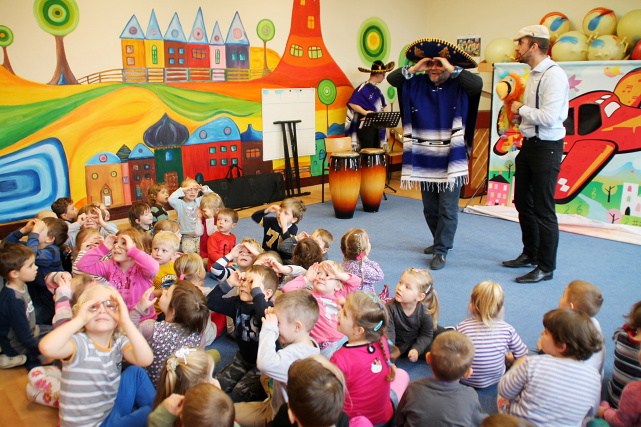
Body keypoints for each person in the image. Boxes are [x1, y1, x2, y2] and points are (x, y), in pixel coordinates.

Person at [387, 38, 482, 270]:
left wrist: (448, 66)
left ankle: (441, 249)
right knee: (430, 208)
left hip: (451, 156)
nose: (434, 68)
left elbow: (477, 84)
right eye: (430, 64)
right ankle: (439, 240)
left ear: (449, 65)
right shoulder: (417, 83)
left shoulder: (460, 85)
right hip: (425, 156)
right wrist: (417, 67)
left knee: (447, 207)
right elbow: (393, 79)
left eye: (439, 64)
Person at [502, 24, 569, 283]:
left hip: (547, 148)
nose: (516, 47)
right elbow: (534, 114)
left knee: (543, 209)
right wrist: (520, 115)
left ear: (534, 45)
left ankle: (546, 266)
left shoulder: (554, 75)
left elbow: (551, 117)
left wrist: (521, 108)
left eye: (520, 42)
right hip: (529, 145)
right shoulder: (533, 75)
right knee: (522, 202)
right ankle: (530, 253)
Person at [38, 285, 155, 427]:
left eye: (110, 305)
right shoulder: (79, 343)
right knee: (152, 413)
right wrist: (80, 319)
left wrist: (126, 321)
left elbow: (146, 359)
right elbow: (47, 348)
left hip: (108, 411)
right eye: (93, 307)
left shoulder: (119, 341)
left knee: (136, 373)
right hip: (91, 425)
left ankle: (157, 411)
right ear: (81, 312)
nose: (102, 310)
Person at [497, 308, 602, 426]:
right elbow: (591, 413)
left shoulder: (532, 363)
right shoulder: (594, 378)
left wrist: (517, 364)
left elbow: (505, 390)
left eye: (546, 332)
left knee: (503, 394)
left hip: (520, 423)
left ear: (561, 346)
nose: (541, 333)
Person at [235, 290, 320, 427]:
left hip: (279, 417)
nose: (274, 325)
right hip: (274, 400)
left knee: (228, 414)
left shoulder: (298, 358)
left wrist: (269, 328)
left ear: (297, 327)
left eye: (277, 322)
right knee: (263, 378)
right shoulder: (306, 343)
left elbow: (264, 364)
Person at [330, 291, 409, 425]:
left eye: (344, 313)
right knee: (401, 375)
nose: (338, 313)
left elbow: (330, 396)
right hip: (385, 416)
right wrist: (348, 306)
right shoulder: (381, 340)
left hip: (355, 421)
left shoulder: (340, 358)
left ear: (359, 330)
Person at [206, 264, 278, 402]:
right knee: (217, 384)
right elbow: (211, 302)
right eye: (244, 280)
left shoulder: (269, 309)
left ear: (267, 294)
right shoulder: (237, 303)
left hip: (263, 365)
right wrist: (229, 283)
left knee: (238, 394)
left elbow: (264, 316)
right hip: (244, 358)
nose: (244, 284)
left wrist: (257, 293)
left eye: (251, 282)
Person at [395, 331, 486, 426]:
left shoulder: (413, 388)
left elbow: (398, 420)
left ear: (428, 358)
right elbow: (478, 422)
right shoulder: (470, 396)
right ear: (467, 373)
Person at [130, 281, 209, 386]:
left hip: (151, 386)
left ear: (173, 311)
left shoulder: (151, 328)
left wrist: (139, 308)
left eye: (166, 294)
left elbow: (127, 334)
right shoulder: (200, 334)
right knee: (211, 355)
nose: (163, 291)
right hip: (180, 386)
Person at [455, 280, 528, 388]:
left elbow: (452, 352)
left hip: (466, 378)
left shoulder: (461, 327)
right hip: (496, 378)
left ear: (472, 305)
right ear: (500, 308)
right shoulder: (507, 329)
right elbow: (522, 355)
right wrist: (512, 360)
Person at [76, 228, 159, 321]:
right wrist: (103, 248)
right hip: (119, 319)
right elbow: (82, 265)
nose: (116, 246)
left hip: (143, 319)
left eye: (124, 243)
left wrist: (132, 250)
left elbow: (154, 267)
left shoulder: (142, 268)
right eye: (115, 242)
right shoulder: (109, 265)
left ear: (137, 248)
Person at [282, 261, 361, 357]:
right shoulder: (308, 296)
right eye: (318, 273)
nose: (321, 277)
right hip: (322, 346)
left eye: (327, 275)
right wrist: (307, 278)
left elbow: (356, 281)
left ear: (338, 286)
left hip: (342, 340)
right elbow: (287, 289)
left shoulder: (340, 294)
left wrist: (338, 275)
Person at [3, 217, 69, 324]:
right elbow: (6, 245)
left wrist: (34, 234)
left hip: (48, 300)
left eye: (40, 229)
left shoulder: (53, 251)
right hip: (34, 293)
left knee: (31, 321)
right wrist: (23, 230)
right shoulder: (32, 246)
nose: (35, 230)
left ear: (49, 239)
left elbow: (32, 255)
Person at [0, 244, 49, 369]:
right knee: (50, 358)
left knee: (59, 333)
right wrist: (42, 353)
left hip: (31, 331)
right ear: (15, 273)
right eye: (30, 266)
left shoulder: (23, 286)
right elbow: (23, 336)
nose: (36, 267)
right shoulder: (13, 300)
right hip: (17, 345)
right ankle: (18, 358)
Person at [149, 347, 223, 426]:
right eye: (211, 378)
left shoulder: (161, 413)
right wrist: (218, 399)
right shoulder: (209, 420)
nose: (215, 381)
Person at [386, 268, 435, 362]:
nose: (400, 288)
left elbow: (426, 335)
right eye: (400, 282)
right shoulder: (389, 308)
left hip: (415, 341)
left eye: (407, 287)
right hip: (397, 345)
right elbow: (389, 338)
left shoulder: (425, 312)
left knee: (440, 348)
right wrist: (391, 362)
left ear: (420, 297)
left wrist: (417, 349)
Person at [557, 280, 605, 375]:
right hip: (594, 376)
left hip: (574, 377)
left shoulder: (567, 330)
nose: (560, 298)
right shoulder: (594, 323)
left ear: (570, 307)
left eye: (563, 295)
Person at [346, 60, 394, 150]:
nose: (384, 77)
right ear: (378, 74)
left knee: (377, 152)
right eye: (383, 74)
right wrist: (365, 112)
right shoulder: (363, 88)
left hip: (377, 127)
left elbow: (383, 107)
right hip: (366, 127)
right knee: (367, 152)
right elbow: (352, 103)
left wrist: (386, 127)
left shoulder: (377, 91)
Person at [607, 300, 641, 408]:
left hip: (613, 398)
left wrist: (630, 326)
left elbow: (620, 330)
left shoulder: (621, 336)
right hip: (635, 409)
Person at [597, 347, 641, 427]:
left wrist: (604, 412)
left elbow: (620, 422)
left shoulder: (635, 390)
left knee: (595, 423)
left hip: (618, 409)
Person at [168, 178, 213, 254]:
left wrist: (203, 188)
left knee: (202, 254)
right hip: (187, 238)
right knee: (190, 256)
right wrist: (183, 189)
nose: (192, 192)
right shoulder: (179, 204)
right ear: (183, 191)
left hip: (201, 236)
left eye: (195, 189)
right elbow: (170, 199)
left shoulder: (199, 201)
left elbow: (213, 197)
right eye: (189, 190)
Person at [341, 228, 384, 293]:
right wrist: (366, 258)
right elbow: (380, 275)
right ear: (365, 250)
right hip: (363, 298)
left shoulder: (345, 264)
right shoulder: (361, 268)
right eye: (368, 242)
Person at [150, 231, 180, 304]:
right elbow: (143, 293)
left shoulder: (176, 266)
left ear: (173, 255)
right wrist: (160, 292)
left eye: (164, 250)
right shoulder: (149, 269)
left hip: (172, 304)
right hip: (155, 307)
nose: (158, 253)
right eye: (155, 249)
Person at [197, 192, 224, 261]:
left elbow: (211, 233)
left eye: (205, 211)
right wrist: (198, 219)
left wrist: (210, 218)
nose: (203, 213)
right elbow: (198, 233)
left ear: (217, 210)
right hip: (204, 248)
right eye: (202, 210)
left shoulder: (220, 220)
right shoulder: (203, 217)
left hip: (216, 249)